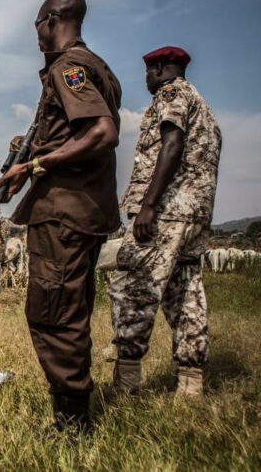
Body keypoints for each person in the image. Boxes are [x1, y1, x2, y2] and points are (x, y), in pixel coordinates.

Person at [0, 0, 121, 431]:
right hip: (83, 210)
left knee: (52, 313)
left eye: (36, 24)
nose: (35, 34)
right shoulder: (96, 66)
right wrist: (24, 169)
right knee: (70, 310)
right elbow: (73, 135)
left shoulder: (69, 68)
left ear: (51, 20)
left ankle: (72, 424)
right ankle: (75, 408)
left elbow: (101, 132)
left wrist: (36, 163)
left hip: (64, 214)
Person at [109, 46, 221, 397]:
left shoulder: (171, 94)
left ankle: (127, 383)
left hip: (166, 212)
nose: (146, 79)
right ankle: (190, 383)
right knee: (185, 291)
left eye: (148, 72)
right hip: (193, 216)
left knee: (133, 284)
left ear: (159, 68)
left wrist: (148, 205)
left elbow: (171, 145)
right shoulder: (203, 106)